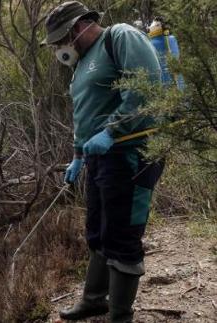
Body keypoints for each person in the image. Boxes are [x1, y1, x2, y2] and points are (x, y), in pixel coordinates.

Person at [41, 2, 165, 322]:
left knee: (123, 235)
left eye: (59, 39)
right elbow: (85, 114)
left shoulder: (120, 37)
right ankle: (94, 299)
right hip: (100, 159)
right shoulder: (80, 65)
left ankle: (120, 316)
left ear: (78, 27)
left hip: (131, 153)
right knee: (97, 232)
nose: (58, 47)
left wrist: (113, 131)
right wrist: (78, 155)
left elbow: (145, 85)